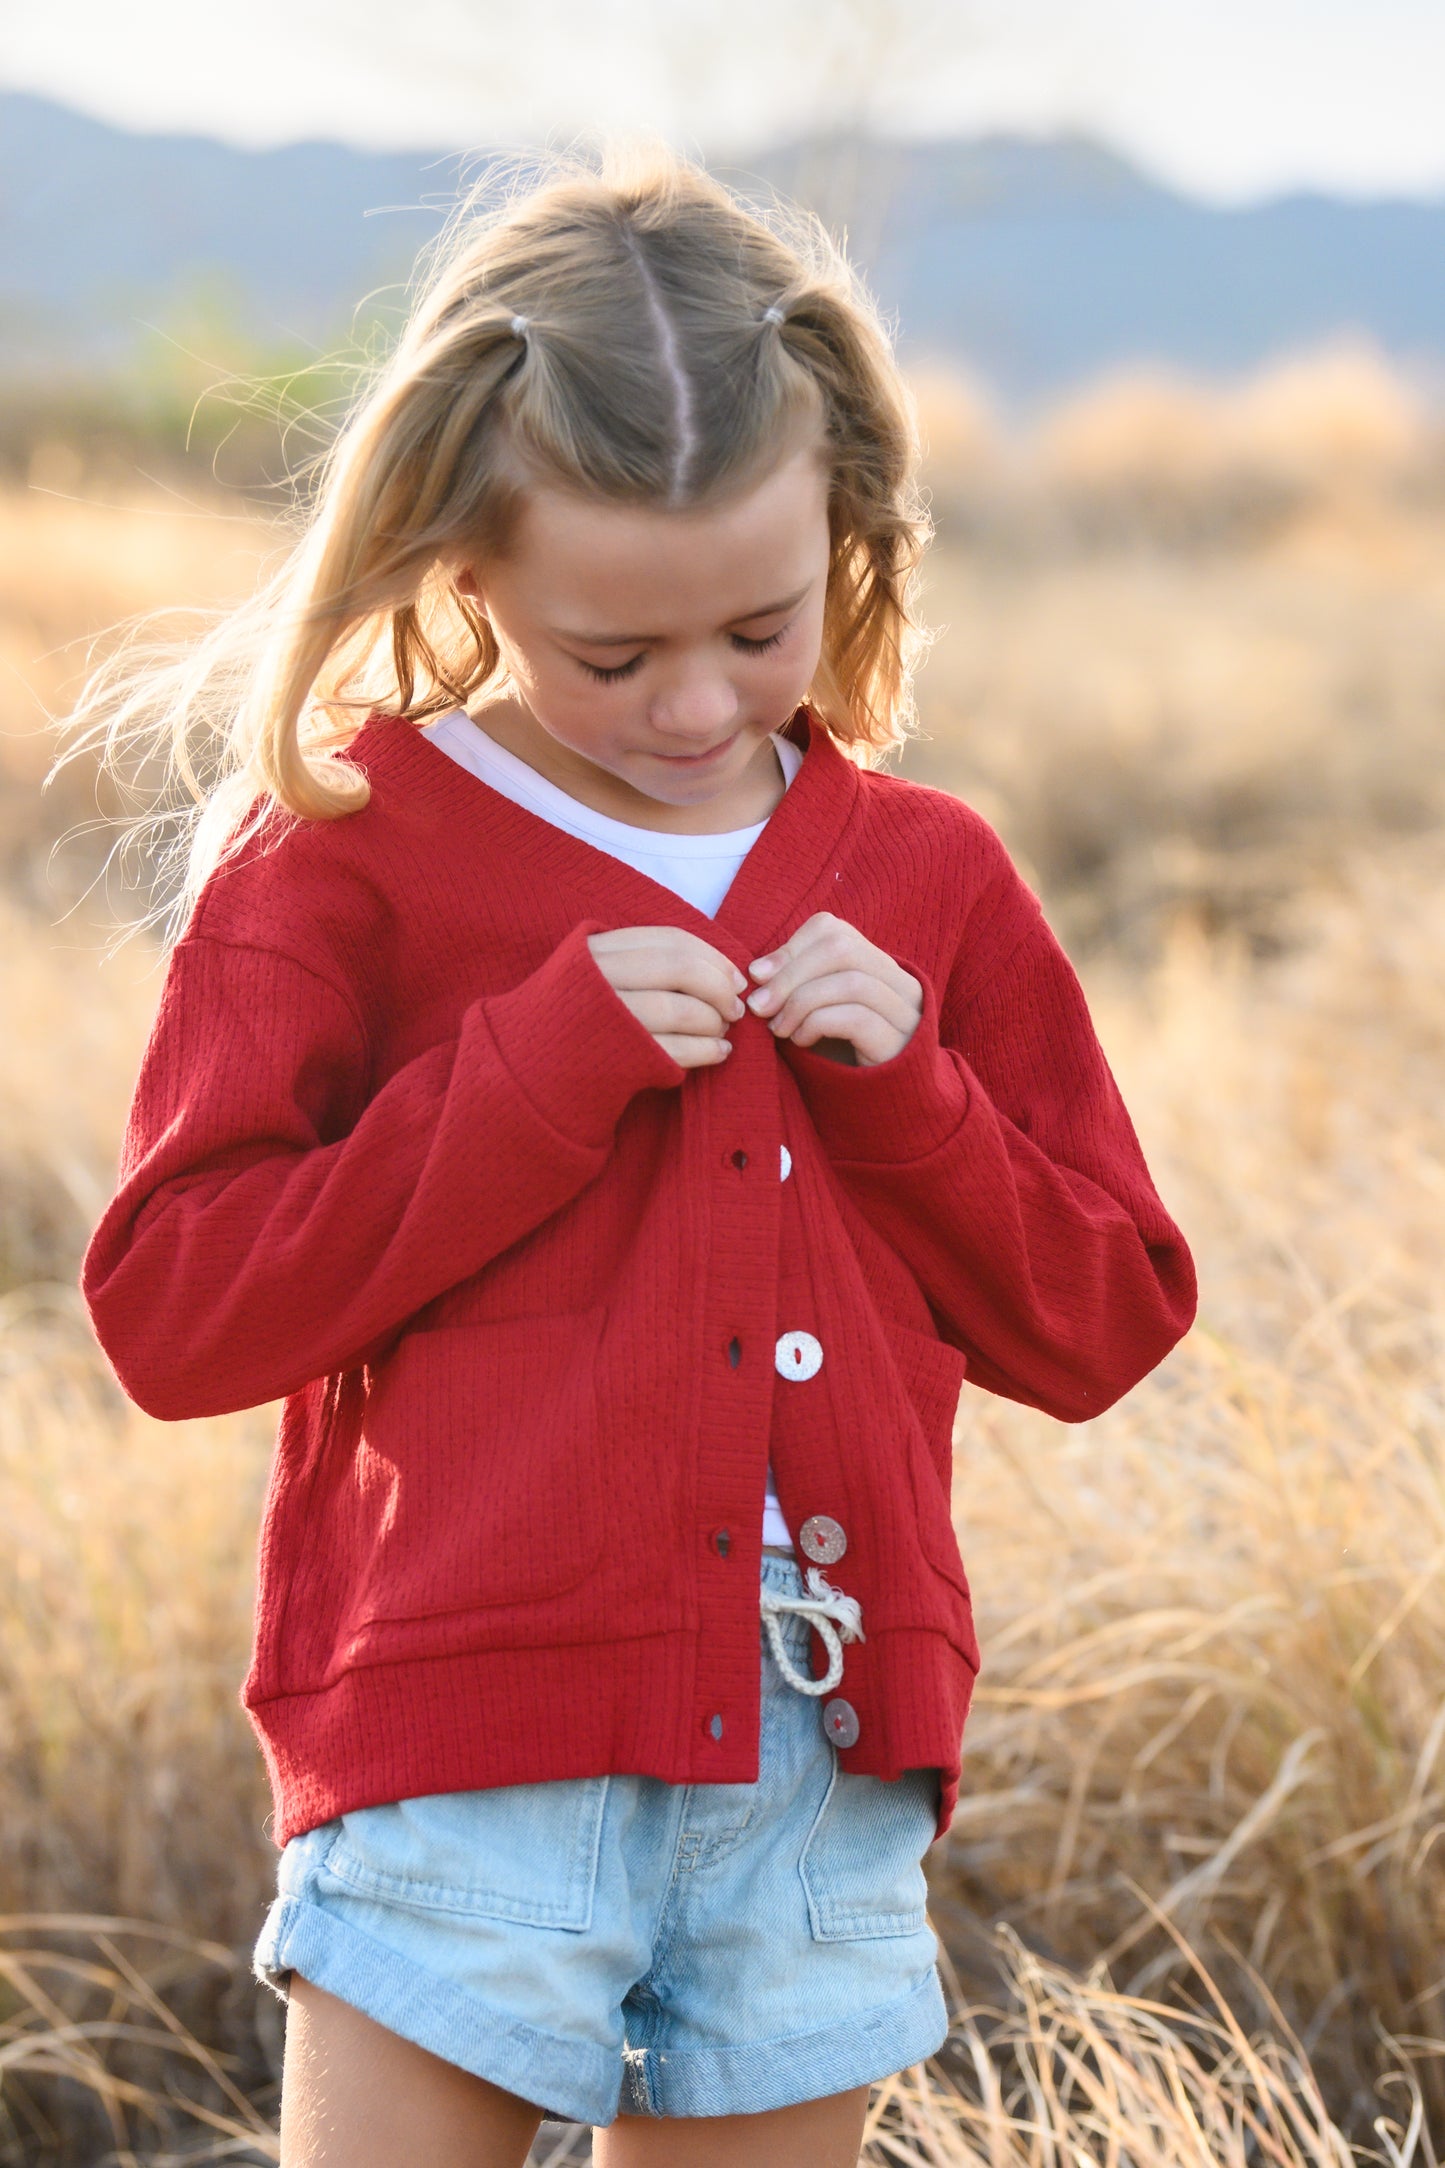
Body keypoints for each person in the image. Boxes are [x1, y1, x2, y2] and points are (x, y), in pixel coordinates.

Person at [73, 145, 1196, 2168]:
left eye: (761, 629)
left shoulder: (928, 876)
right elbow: (173, 1312)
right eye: (611, 656)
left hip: (823, 1768)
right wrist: (526, 1079)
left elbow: (1106, 1316)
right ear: (461, 567)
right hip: (463, 1753)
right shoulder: (343, 854)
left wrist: (911, 1099)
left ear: (848, 530)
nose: (692, 705)